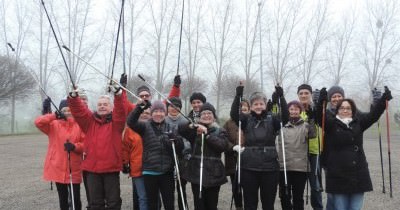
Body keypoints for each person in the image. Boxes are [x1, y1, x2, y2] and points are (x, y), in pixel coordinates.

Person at [316, 87, 393, 210]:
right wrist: (320, 102)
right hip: (337, 175)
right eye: (342, 108)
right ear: (337, 110)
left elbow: (373, 116)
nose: (345, 110)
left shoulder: (359, 122)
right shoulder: (331, 123)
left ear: (353, 110)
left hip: (358, 174)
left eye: (348, 108)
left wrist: (383, 101)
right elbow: (320, 116)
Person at [68, 84, 126, 210]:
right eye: (100, 104)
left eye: (105, 104)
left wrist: (118, 94)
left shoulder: (117, 123)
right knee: (95, 204)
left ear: (111, 107)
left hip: (111, 169)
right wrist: (73, 98)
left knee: (114, 203)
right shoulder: (89, 122)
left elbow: (121, 110)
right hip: (92, 170)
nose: (102, 106)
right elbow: (79, 112)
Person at [230, 85, 289, 210]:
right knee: (250, 203)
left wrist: (281, 97)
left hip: (270, 168)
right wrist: (238, 95)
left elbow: (285, 117)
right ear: (251, 107)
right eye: (255, 104)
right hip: (249, 167)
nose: (258, 106)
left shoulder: (273, 119)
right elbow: (234, 114)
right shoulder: (245, 119)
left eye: (261, 104)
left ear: (265, 105)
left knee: (268, 204)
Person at [127, 100, 183, 210]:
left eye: (161, 111)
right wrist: (139, 108)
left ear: (165, 113)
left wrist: (175, 140)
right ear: (151, 113)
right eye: (155, 111)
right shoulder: (144, 126)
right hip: (150, 171)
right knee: (152, 203)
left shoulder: (171, 127)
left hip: (167, 172)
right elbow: (131, 122)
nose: (158, 114)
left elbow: (180, 148)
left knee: (169, 203)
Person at [35, 98, 84, 210]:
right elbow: (38, 122)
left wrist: (75, 146)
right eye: (64, 110)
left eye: (69, 110)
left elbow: (85, 144)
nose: (67, 112)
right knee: (63, 199)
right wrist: (53, 115)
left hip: (74, 168)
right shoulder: (53, 125)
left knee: (75, 198)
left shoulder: (79, 125)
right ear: (60, 111)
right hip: (57, 168)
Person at [179, 102, 229, 210]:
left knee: (212, 205)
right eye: (204, 113)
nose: (206, 115)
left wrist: (207, 135)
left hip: (214, 174)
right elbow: (181, 130)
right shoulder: (195, 131)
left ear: (214, 117)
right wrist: (191, 125)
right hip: (197, 173)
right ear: (200, 117)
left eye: (209, 113)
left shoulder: (220, 131)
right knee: (199, 205)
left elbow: (222, 146)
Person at [278, 100, 316, 210]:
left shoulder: (306, 125)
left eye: (296, 109)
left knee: (298, 197)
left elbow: (313, 135)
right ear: (287, 111)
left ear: (300, 111)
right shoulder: (281, 125)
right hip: (284, 167)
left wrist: (312, 119)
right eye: (291, 109)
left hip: (300, 168)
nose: (293, 111)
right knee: (284, 196)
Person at [297, 84, 323, 210]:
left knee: (315, 186)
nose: (303, 95)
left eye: (306, 93)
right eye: (301, 93)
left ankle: (318, 208)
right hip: (297, 152)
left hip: (314, 151)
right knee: (297, 186)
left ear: (311, 94)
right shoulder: (294, 109)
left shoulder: (316, 108)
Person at [122, 108, 152, 210]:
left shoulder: (155, 127)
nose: (144, 115)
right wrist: (125, 164)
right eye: (142, 112)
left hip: (153, 168)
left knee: (154, 196)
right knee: (142, 197)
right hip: (137, 168)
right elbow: (125, 149)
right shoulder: (129, 130)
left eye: (147, 113)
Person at [223, 100, 250, 210]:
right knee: (236, 188)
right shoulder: (228, 123)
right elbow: (223, 139)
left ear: (249, 110)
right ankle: (239, 207)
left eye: (244, 110)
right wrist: (233, 147)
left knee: (249, 188)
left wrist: (247, 148)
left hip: (249, 161)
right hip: (233, 160)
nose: (242, 112)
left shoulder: (252, 121)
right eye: (240, 110)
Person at [165, 97, 191, 210]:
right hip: (167, 158)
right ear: (167, 108)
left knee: (181, 187)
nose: (174, 109)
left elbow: (189, 140)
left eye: (177, 107)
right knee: (168, 188)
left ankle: (183, 207)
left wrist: (184, 150)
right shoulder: (163, 120)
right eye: (171, 106)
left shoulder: (186, 121)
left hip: (182, 158)